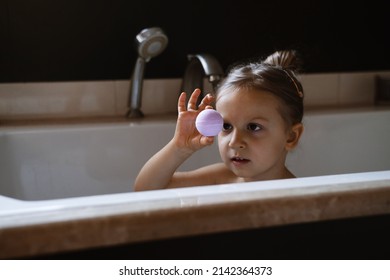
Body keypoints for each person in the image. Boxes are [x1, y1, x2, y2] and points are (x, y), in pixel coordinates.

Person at [134, 50, 305, 191]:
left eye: (253, 127)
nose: (234, 142)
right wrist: (179, 148)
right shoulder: (220, 178)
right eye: (226, 126)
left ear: (290, 136)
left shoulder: (302, 196)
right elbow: (146, 190)